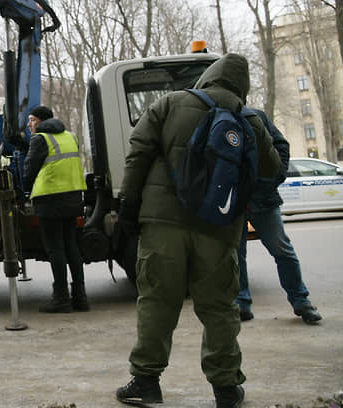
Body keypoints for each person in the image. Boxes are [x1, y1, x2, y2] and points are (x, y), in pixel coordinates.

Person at [114, 53, 281, 408]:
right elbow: (273, 170)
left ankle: (145, 382)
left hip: (162, 225)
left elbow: (137, 156)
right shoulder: (248, 120)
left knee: (158, 302)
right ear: (243, 87)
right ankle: (226, 389)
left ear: (208, 75)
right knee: (220, 308)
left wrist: (127, 209)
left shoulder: (169, 104)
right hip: (219, 229)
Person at [237, 109, 321, 325]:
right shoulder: (214, 116)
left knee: (282, 250)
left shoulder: (254, 116)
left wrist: (275, 178)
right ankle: (242, 304)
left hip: (263, 198)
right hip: (233, 202)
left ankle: (301, 301)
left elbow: (281, 145)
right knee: (236, 256)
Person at [22, 104, 89, 313]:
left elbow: (29, 169)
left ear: (41, 121)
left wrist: (26, 187)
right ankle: (80, 297)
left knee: (55, 249)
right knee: (72, 247)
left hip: (50, 199)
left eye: (32, 120)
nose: (29, 124)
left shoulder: (40, 139)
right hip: (73, 198)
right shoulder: (70, 136)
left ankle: (61, 299)